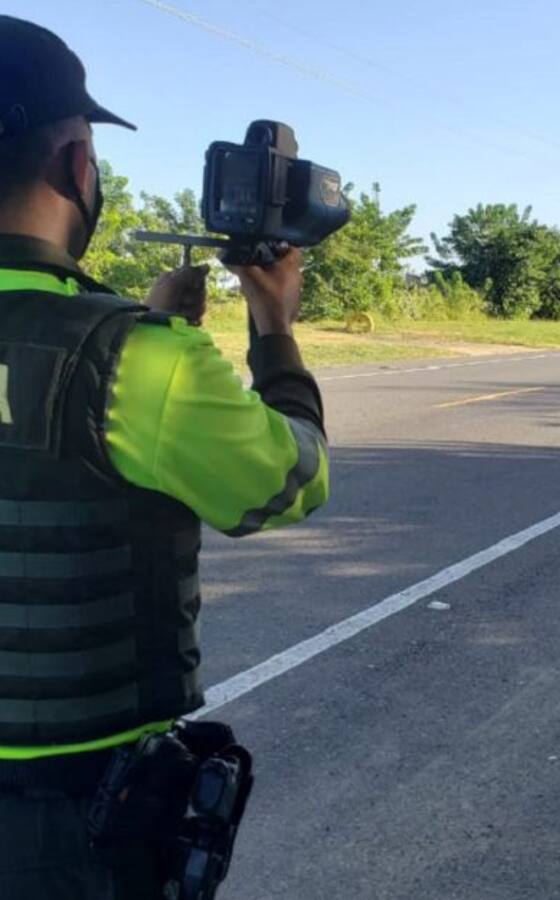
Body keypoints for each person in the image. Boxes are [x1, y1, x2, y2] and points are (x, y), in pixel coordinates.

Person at [0, 15, 330, 898]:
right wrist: (274, 330)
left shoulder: (131, 349)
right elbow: (287, 482)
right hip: (69, 818)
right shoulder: (133, 360)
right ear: (77, 164)